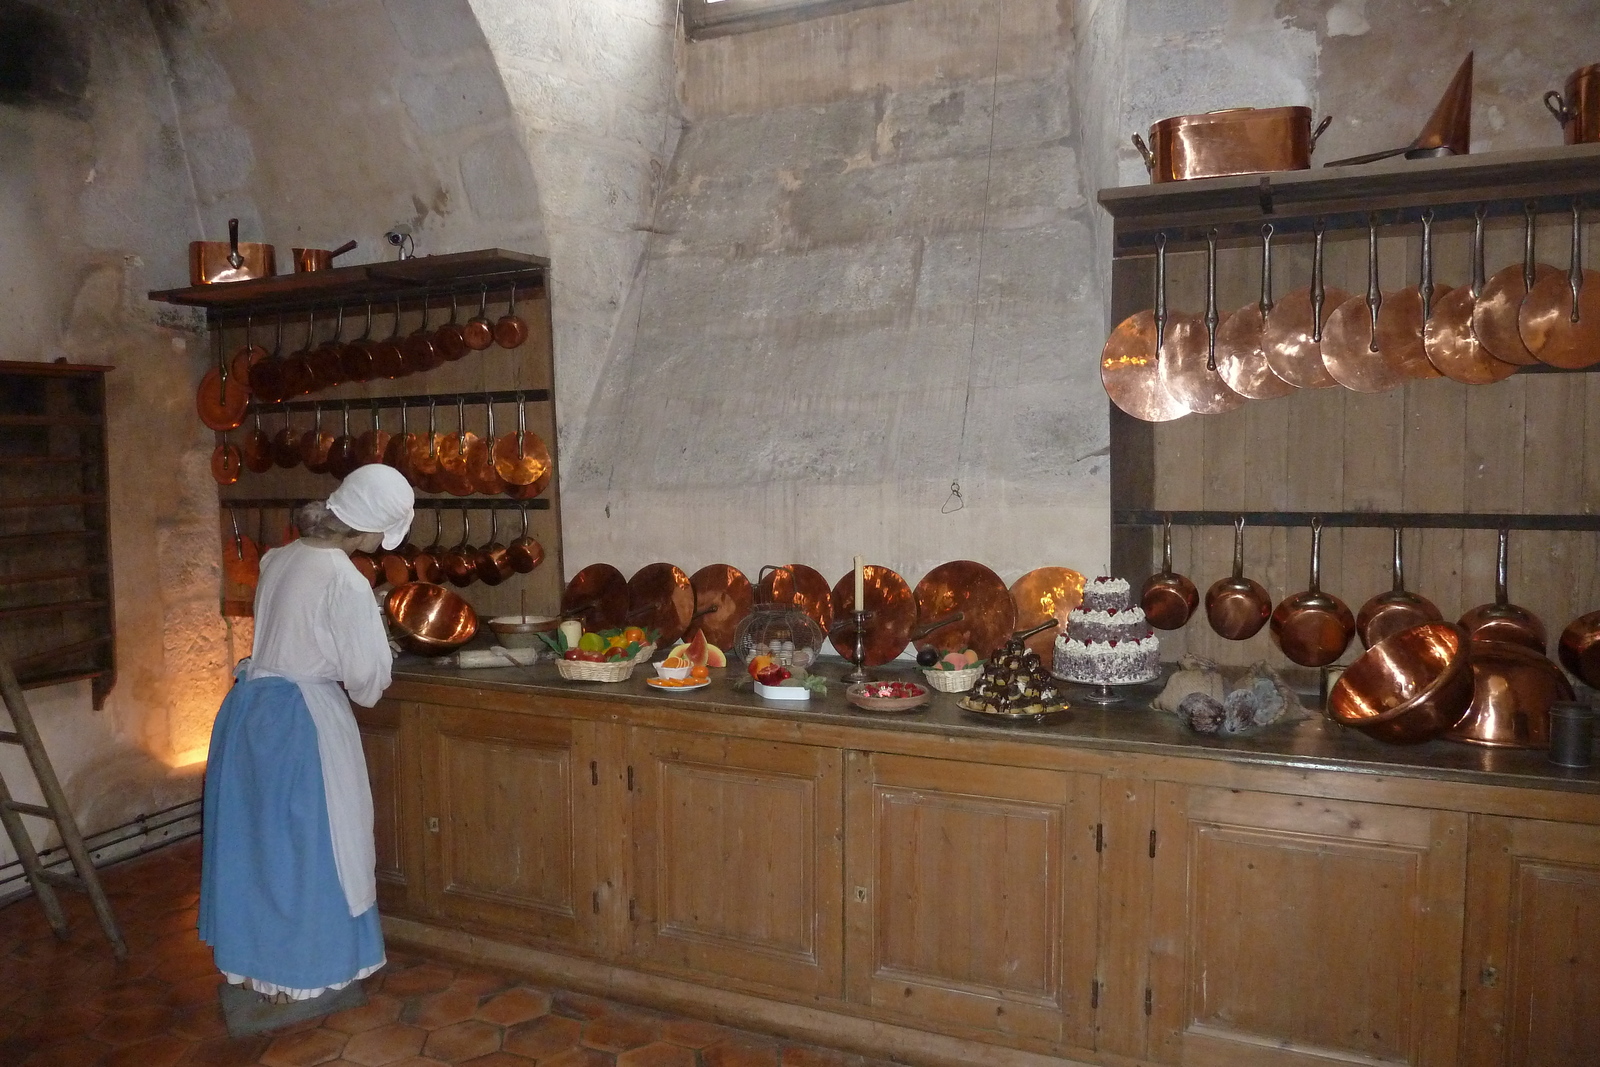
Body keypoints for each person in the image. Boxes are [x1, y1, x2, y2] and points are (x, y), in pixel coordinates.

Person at [199, 464, 415, 1003]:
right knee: (313, 841)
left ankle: (256, 962)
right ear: (368, 531)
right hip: (303, 723)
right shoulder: (345, 579)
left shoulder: (280, 556)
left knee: (261, 840)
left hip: (251, 711)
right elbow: (367, 682)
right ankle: (302, 965)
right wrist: (379, 643)